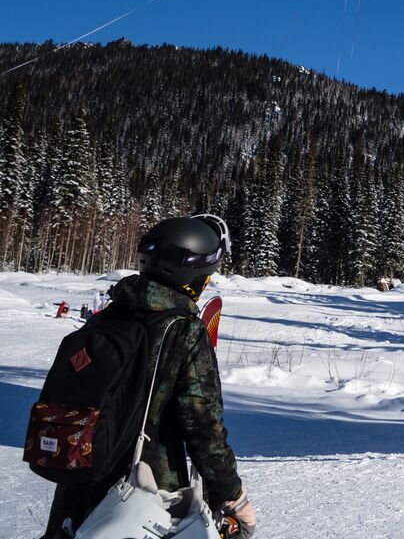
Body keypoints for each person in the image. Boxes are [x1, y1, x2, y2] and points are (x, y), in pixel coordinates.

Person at [44, 215, 257, 538]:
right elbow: (203, 427)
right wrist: (233, 496)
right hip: (144, 492)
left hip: (79, 481)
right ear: (193, 275)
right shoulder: (183, 331)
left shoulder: (107, 317)